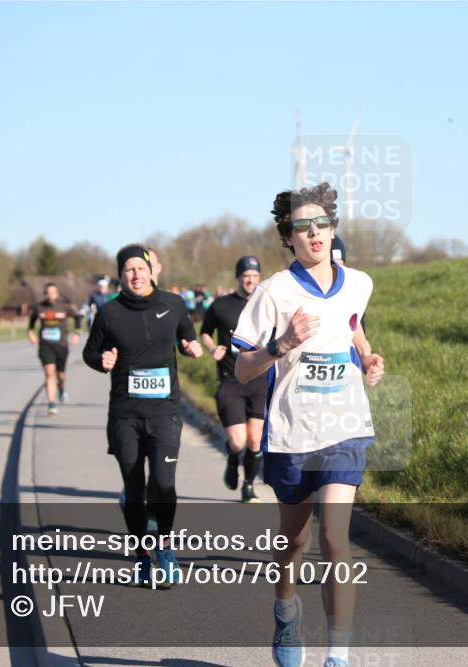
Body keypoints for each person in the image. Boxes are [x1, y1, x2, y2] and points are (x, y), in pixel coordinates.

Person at [232, 182, 385, 667]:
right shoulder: (274, 292)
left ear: (333, 229)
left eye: (322, 223)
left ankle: (337, 657)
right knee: (294, 540)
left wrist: (367, 357)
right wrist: (281, 344)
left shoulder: (359, 281)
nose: (314, 232)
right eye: (303, 226)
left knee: (335, 539)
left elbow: (353, 321)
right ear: (288, 236)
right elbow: (241, 370)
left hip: (345, 429)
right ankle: (285, 610)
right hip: (293, 434)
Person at [82, 244, 202, 588]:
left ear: (152, 270)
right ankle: (140, 557)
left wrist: (191, 348)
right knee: (134, 490)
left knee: (163, 484)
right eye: (128, 270)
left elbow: (186, 337)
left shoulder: (174, 304)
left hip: (165, 411)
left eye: (140, 267)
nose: (135, 274)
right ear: (121, 275)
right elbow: (92, 351)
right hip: (125, 415)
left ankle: (164, 545)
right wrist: (101, 361)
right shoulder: (109, 313)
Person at [200, 256, 266, 503]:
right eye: (245, 275)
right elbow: (205, 332)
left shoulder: (266, 304)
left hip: (260, 382)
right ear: (238, 277)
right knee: (238, 442)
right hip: (231, 380)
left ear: (259, 277)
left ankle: (248, 487)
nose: (250, 280)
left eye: (254, 275)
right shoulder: (221, 305)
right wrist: (211, 349)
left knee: (254, 439)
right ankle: (232, 458)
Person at [27, 283, 82, 415]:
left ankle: (61, 388)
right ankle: (51, 403)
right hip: (45, 345)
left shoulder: (65, 306)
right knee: (49, 372)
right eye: (47, 293)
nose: (50, 295)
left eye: (52, 293)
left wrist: (76, 333)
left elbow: (78, 317)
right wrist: (31, 334)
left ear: (56, 293)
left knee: (60, 375)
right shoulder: (39, 307)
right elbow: (31, 323)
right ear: (44, 294)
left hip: (61, 345)